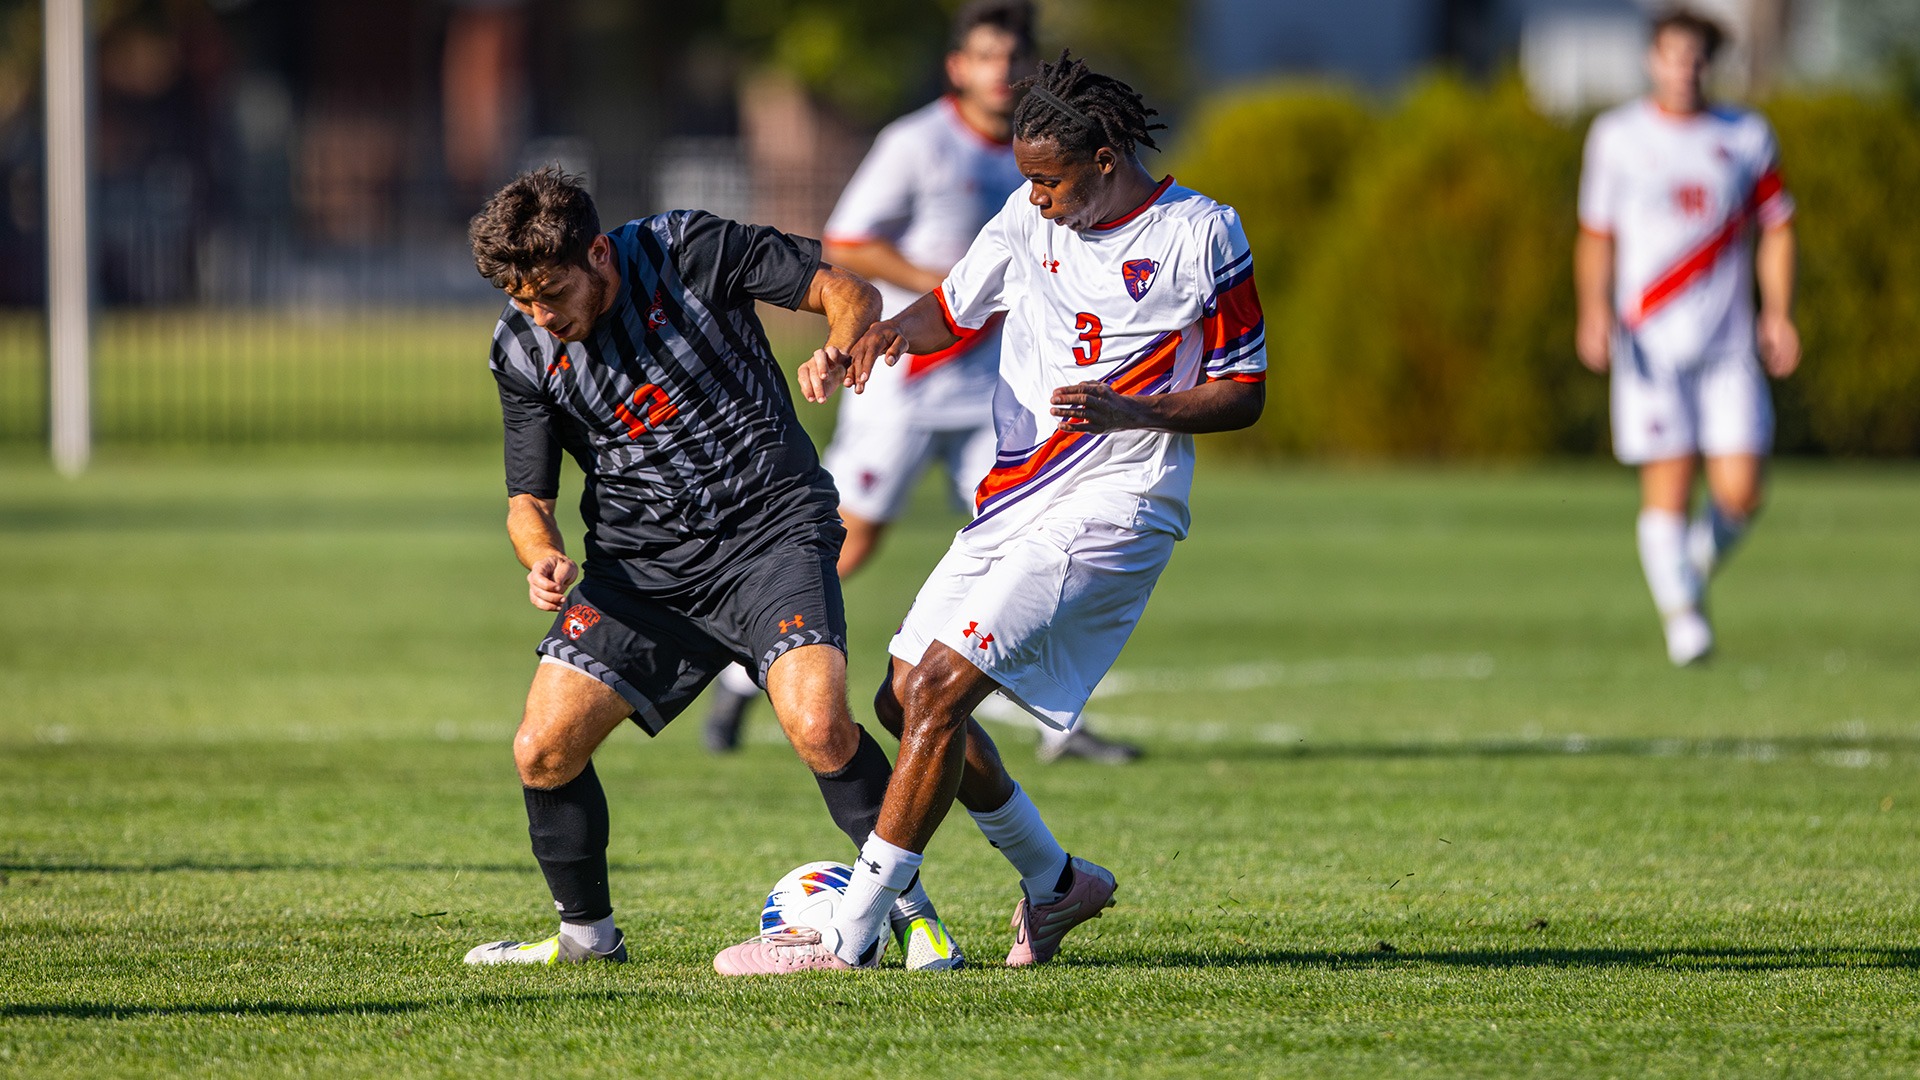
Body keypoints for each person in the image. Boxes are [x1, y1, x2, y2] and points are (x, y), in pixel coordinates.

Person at [713, 52, 1267, 975]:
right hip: (1017, 500)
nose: (1036, 198)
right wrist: (887, 333)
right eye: (1026, 179)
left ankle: (850, 936)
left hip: (1119, 502)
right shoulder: (1023, 215)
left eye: (1050, 180)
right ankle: (1056, 887)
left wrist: (1139, 409)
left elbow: (1245, 389)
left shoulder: (1201, 233)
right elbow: (953, 309)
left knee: (937, 690)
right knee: (901, 697)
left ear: (1103, 158)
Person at [460, 167, 965, 970]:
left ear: (598, 252)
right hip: (641, 573)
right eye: (523, 300)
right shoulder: (521, 349)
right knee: (543, 749)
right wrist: (542, 556)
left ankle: (916, 918)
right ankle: (587, 941)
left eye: (552, 293)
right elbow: (528, 498)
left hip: (771, 535)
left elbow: (847, 290)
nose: (542, 316)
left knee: (819, 724)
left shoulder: (689, 249)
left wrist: (838, 347)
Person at [701, 0, 1143, 766]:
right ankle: (743, 677)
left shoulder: (1046, 151)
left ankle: (1056, 728)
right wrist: (947, 286)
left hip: (999, 391)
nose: (999, 73)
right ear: (957, 67)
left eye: (1012, 60)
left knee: (1031, 543)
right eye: (984, 58)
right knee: (849, 537)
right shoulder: (916, 142)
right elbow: (845, 240)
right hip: (908, 376)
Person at [1576, 9, 1800, 666]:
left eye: (1696, 57)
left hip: (1728, 343)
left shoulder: (1747, 135)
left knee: (1743, 490)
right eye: (1672, 55)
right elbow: (1596, 235)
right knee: (1669, 483)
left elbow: (1777, 227)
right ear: (1653, 60)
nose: (1684, 69)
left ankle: (1686, 574)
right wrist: (1592, 310)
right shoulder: (1617, 136)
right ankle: (1684, 623)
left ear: (1711, 64)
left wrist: (1778, 312)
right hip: (1651, 342)